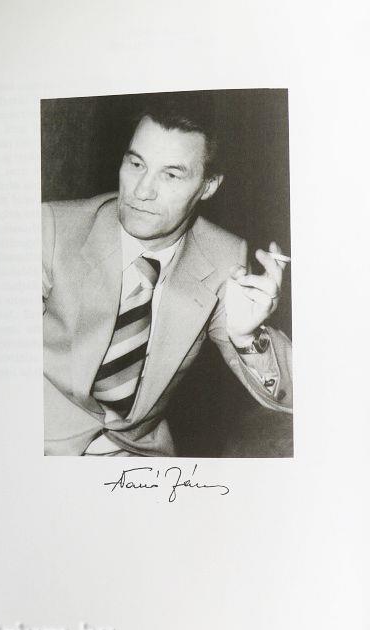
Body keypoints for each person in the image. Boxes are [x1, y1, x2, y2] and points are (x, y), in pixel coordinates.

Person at [42, 102, 292, 456]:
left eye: (171, 175)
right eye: (136, 164)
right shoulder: (54, 229)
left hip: (141, 455)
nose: (142, 190)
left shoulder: (224, 257)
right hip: (43, 441)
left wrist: (246, 336)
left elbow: (306, 397)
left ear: (208, 186)